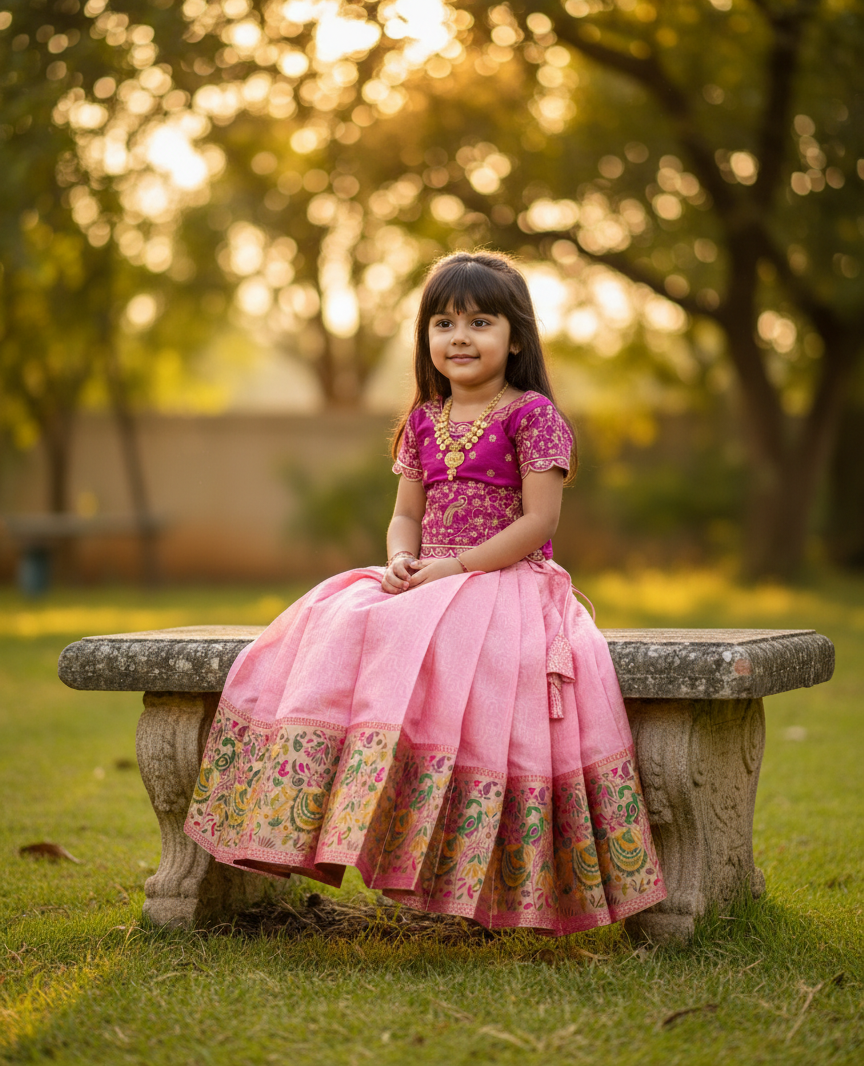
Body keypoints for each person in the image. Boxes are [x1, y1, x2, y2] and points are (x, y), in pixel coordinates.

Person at [185, 251, 666, 935]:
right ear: (426, 339)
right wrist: (403, 560)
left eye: (480, 321)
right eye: (443, 322)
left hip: (505, 582)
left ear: (517, 337)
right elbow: (405, 513)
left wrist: (458, 567)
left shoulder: (531, 417)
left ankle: (483, 865)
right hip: (429, 577)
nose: (460, 336)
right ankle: (317, 813)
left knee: (467, 655)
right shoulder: (422, 420)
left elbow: (539, 523)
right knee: (340, 620)